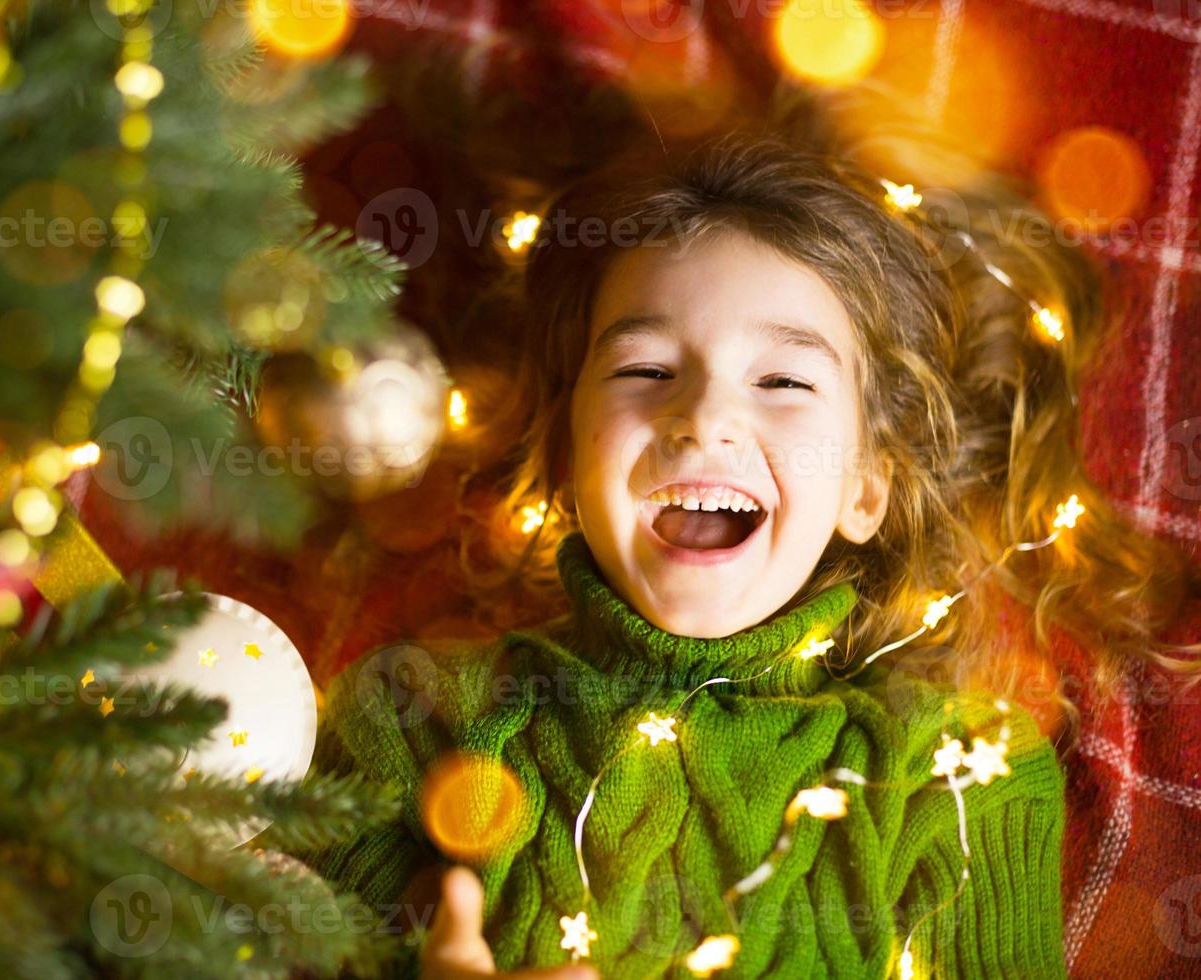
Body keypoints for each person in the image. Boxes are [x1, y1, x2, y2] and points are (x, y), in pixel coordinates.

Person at [277, 102, 1198, 978]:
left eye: (785, 382)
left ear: (867, 488)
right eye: (645, 367)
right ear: (562, 454)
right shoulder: (408, 718)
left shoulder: (955, 774)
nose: (705, 417)